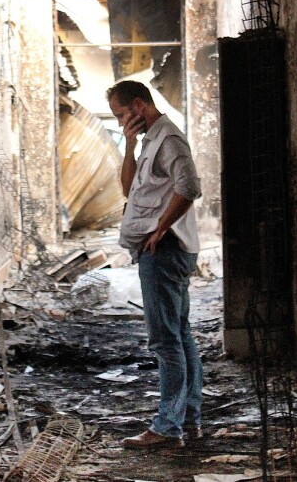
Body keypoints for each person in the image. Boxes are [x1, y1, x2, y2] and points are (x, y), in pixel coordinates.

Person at [107, 80, 203, 449]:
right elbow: (130, 190)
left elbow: (190, 186)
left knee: (165, 341)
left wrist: (161, 228)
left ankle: (167, 427)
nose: (119, 123)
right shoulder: (149, 141)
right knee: (179, 335)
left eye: (121, 115)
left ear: (138, 105)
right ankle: (188, 419)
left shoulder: (170, 140)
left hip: (165, 252)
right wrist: (128, 145)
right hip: (161, 251)